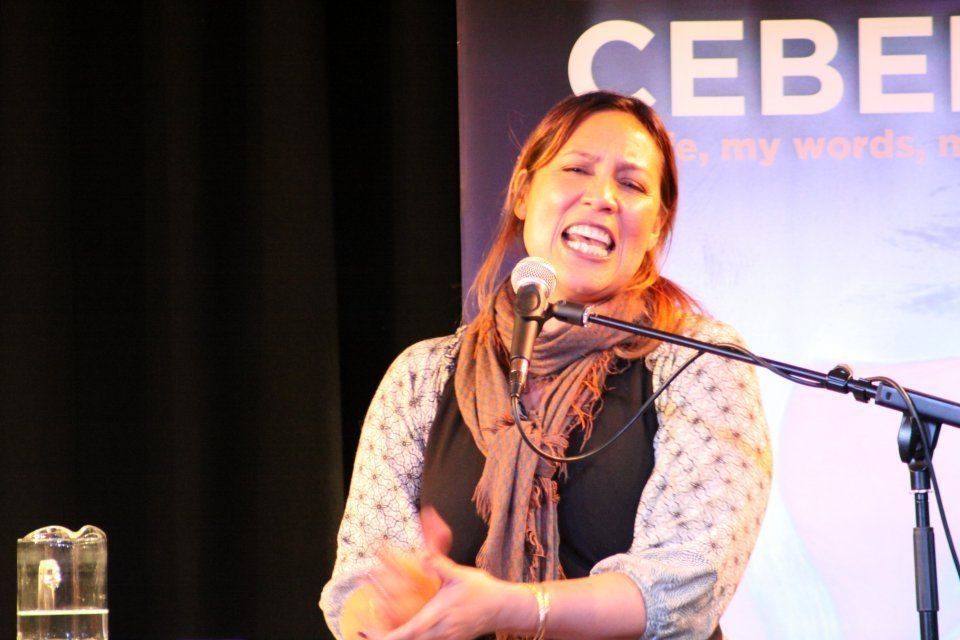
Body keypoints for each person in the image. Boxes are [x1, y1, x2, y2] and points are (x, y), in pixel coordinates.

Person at [320, 91, 771, 640]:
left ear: (656, 226)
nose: (602, 196)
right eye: (576, 168)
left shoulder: (696, 363)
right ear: (523, 193)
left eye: (631, 184)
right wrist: (391, 608)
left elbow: (686, 587)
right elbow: (357, 588)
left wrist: (513, 607)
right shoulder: (422, 377)